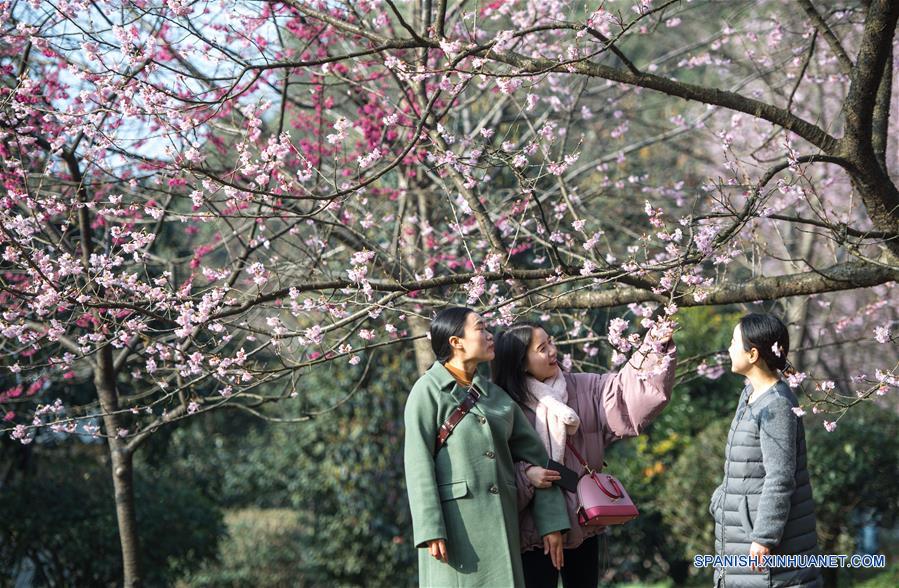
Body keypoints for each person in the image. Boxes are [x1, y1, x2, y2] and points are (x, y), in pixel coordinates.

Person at [493, 319, 676, 588]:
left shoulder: (583, 387)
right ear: (521, 362)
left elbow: (626, 393)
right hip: (530, 533)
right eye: (542, 348)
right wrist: (526, 474)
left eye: (551, 342)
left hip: (583, 522)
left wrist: (653, 348)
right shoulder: (503, 405)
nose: (553, 351)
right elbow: (497, 467)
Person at [404, 307, 571, 587]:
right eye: (481, 329)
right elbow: (418, 463)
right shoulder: (427, 391)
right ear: (456, 342)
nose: (490, 335)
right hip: (455, 530)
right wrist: (430, 528)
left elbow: (538, 458)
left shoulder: (496, 396)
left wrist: (552, 520)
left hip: (504, 526)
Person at [709, 313, 821, 587]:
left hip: (768, 557)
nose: (729, 348)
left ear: (753, 354)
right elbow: (743, 468)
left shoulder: (778, 405)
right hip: (738, 536)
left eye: (734, 342)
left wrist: (764, 537)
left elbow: (780, 477)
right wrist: (722, 501)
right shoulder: (749, 394)